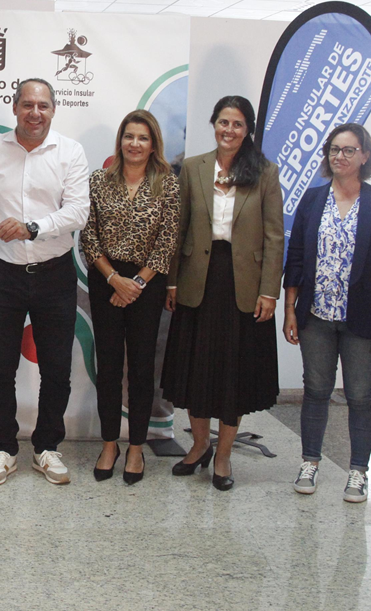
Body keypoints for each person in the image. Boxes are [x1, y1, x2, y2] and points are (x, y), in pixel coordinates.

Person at [163, 95, 284, 492]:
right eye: (222, 122)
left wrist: (270, 291)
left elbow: (274, 236)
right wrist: (172, 281)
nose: (228, 130)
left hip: (243, 284)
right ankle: (199, 446)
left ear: (247, 129)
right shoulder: (194, 167)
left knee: (233, 373)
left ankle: (225, 455)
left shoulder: (264, 172)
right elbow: (178, 228)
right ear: (213, 124)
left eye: (236, 124)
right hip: (199, 279)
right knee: (197, 370)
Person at [282, 123, 371, 502]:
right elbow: (297, 258)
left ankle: (358, 471)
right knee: (316, 391)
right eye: (334, 149)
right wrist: (290, 308)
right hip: (316, 316)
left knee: (360, 396)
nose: (340, 156)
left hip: (363, 319)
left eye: (349, 150)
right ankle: (310, 463)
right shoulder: (313, 199)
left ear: (365, 156)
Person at [0, 78, 90, 485]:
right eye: (27, 105)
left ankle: (47, 447)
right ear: (14, 107)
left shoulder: (70, 152)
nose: (35, 113)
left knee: (57, 367)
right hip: (2, 274)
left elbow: (78, 212)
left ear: (53, 110)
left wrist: (32, 227)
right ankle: (4, 447)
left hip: (54, 273)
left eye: (43, 105)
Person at [80, 109, 180, 485]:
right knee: (108, 366)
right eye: (128, 136)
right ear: (120, 141)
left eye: (142, 137)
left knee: (140, 368)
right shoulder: (99, 181)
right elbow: (87, 236)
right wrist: (114, 279)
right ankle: (110, 443)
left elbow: (168, 240)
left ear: (153, 143)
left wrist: (135, 283)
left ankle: (136, 447)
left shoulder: (167, 183)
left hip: (147, 283)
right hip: (106, 278)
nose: (134, 144)